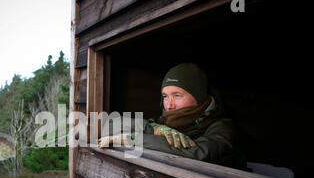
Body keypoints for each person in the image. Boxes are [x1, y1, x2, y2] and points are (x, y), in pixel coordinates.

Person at [98, 63, 238, 166]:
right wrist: (153, 128)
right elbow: (107, 126)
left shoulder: (222, 127)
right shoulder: (162, 120)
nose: (169, 105)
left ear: (199, 97)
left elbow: (196, 153)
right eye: (165, 96)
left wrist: (134, 138)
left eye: (177, 95)